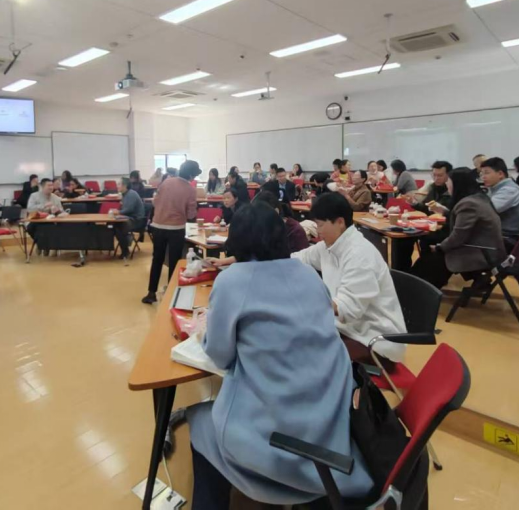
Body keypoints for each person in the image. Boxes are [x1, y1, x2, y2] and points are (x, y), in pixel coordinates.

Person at [184, 202, 374, 508]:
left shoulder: (232, 281)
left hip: (279, 443)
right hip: (333, 428)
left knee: (199, 421)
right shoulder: (308, 274)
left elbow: (220, 356)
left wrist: (205, 332)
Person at [292, 192, 406, 364]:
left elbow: (347, 309)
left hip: (374, 342)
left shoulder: (360, 255)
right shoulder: (329, 246)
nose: (318, 231)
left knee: (306, 350)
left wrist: (307, 300)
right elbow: (298, 258)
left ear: (340, 222)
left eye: (320, 225)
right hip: (347, 329)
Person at [411, 167, 506, 289]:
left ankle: (421, 290)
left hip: (481, 252)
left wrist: (440, 247)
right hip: (483, 247)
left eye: (448, 182)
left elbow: (458, 237)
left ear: (458, 184)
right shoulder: (478, 197)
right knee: (427, 257)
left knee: (429, 261)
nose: (447, 185)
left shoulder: (469, 204)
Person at [142, 160, 201, 304]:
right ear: (191, 175)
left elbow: (156, 201)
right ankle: (171, 293)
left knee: (157, 259)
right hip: (176, 228)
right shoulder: (190, 189)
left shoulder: (166, 182)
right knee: (174, 261)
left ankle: (151, 293)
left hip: (158, 225)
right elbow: (191, 214)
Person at [391, 161, 453, 272]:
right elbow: (427, 208)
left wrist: (442, 211)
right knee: (401, 239)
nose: (436, 178)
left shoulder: (452, 192)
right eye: (434, 175)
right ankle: (401, 271)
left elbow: (452, 216)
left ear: (449, 175)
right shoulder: (433, 188)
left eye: (440, 175)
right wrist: (414, 203)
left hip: (443, 230)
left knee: (423, 239)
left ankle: (420, 271)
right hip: (429, 226)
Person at [481, 157, 519, 244]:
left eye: (486, 173)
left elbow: (486, 210)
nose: (483, 177)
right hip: (497, 234)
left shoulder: (509, 190)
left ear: (500, 174)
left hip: (506, 237)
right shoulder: (494, 188)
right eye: (481, 174)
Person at [111, 177, 146, 265]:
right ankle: (125, 246)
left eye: (119, 184)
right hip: (130, 218)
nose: (117, 186)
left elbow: (129, 209)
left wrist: (118, 212)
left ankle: (125, 250)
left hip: (137, 221)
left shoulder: (131, 194)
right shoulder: (125, 194)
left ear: (125, 185)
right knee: (114, 225)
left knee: (119, 227)